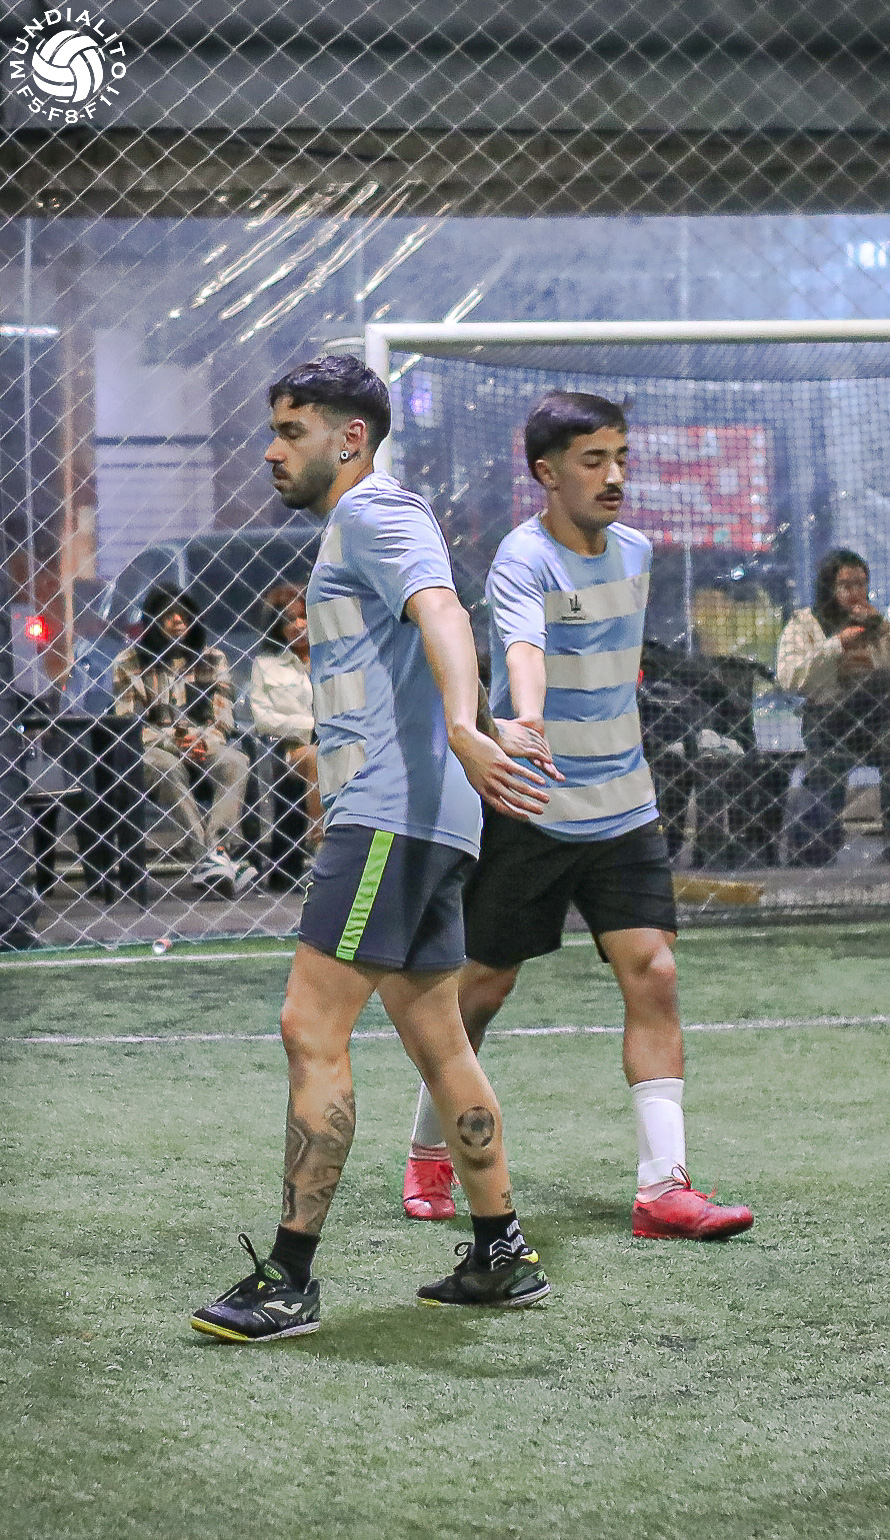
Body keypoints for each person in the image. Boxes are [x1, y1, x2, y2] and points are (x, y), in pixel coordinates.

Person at [191, 356, 561, 1342]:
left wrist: (466, 725)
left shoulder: (373, 511)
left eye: (292, 430)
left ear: (349, 437)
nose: (272, 451)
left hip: (390, 821)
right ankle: (502, 1251)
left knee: (309, 1026)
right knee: (439, 1036)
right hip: (425, 820)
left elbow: (444, 610)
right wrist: (471, 728)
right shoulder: (367, 523)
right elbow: (422, 634)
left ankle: (289, 1279)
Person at [401, 390, 754, 1243]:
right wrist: (523, 720)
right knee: (483, 988)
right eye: (594, 461)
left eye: (621, 458)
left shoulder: (636, 551)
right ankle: (429, 1150)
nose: (614, 476)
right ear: (546, 473)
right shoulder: (522, 560)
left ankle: (664, 1189)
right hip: (533, 801)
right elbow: (524, 645)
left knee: (654, 971)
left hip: (625, 806)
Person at [776, 549, 890, 867]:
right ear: (829, 588)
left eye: (861, 584)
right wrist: (836, 646)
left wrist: (881, 629)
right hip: (829, 721)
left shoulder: (875, 623)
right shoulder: (804, 624)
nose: (856, 593)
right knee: (825, 775)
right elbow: (789, 677)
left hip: (878, 721)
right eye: (846, 585)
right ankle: (814, 842)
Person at [111, 585, 256, 897]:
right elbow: (129, 724)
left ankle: (218, 849)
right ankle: (207, 855)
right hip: (155, 747)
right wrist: (176, 742)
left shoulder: (213, 659)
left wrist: (201, 740)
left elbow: (223, 717)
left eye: (184, 614)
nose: (178, 620)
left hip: (205, 744)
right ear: (152, 619)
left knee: (235, 761)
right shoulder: (129, 661)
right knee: (166, 767)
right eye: (169, 614)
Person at [249, 584, 323, 881]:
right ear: (278, 627)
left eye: (304, 616)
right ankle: (320, 843)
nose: (300, 625)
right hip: (291, 750)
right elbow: (262, 718)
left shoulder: (330, 658)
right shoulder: (266, 665)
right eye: (290, 619)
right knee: (317, 757)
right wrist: (308, 725)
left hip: (338, 741)